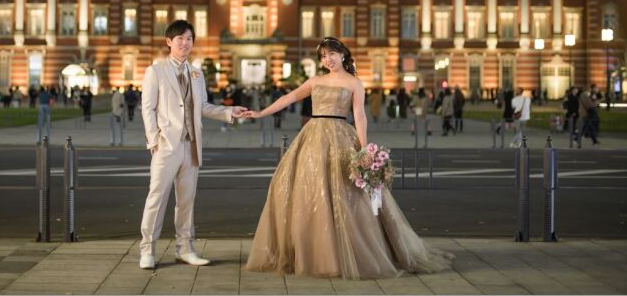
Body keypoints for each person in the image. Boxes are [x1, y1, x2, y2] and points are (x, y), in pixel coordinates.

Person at [242, 37, 453, 279]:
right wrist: (260, 113)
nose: (328, 60)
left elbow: (360, 115)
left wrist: (364, 150)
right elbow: (288, 98)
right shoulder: (315, 81)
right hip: (312, 137)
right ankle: (314, 251)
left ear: (342, 54)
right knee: (308, 189)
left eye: (331, 54)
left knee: (346, 194)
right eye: (323, 56)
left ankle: (345, 253)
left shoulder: (354, 83)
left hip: (341, 136)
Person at [138, 20, 247, 270]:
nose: (185, 43)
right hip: (167, 145)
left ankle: (185, 249)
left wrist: (229, 112)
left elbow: (203, 107)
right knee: (157, 198)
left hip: (192, 145)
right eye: (180, 38)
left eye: (189, 39)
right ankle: (147, 250)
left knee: (186, 201)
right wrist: (154, 140)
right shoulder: (156, 71)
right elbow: (148, 108)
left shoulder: (196, 73)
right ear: (169, 41)